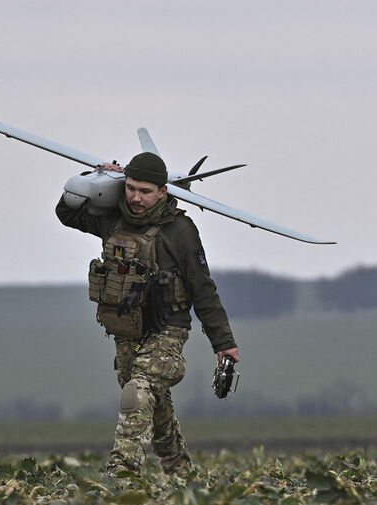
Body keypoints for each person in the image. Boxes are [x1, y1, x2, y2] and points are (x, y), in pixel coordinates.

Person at [55, 151, 240, 477]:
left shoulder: (180, 231)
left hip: (169, 328)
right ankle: (181, 473)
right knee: (153, 404)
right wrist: (98, 179)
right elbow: (67, 213)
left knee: (137, 393)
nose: (136, 198)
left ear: (163, 192)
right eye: (130, 188)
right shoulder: (113, 218)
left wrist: (223, 343)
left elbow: (203, 289)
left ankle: (121, 473)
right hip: (128, 327)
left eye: (145, 191)